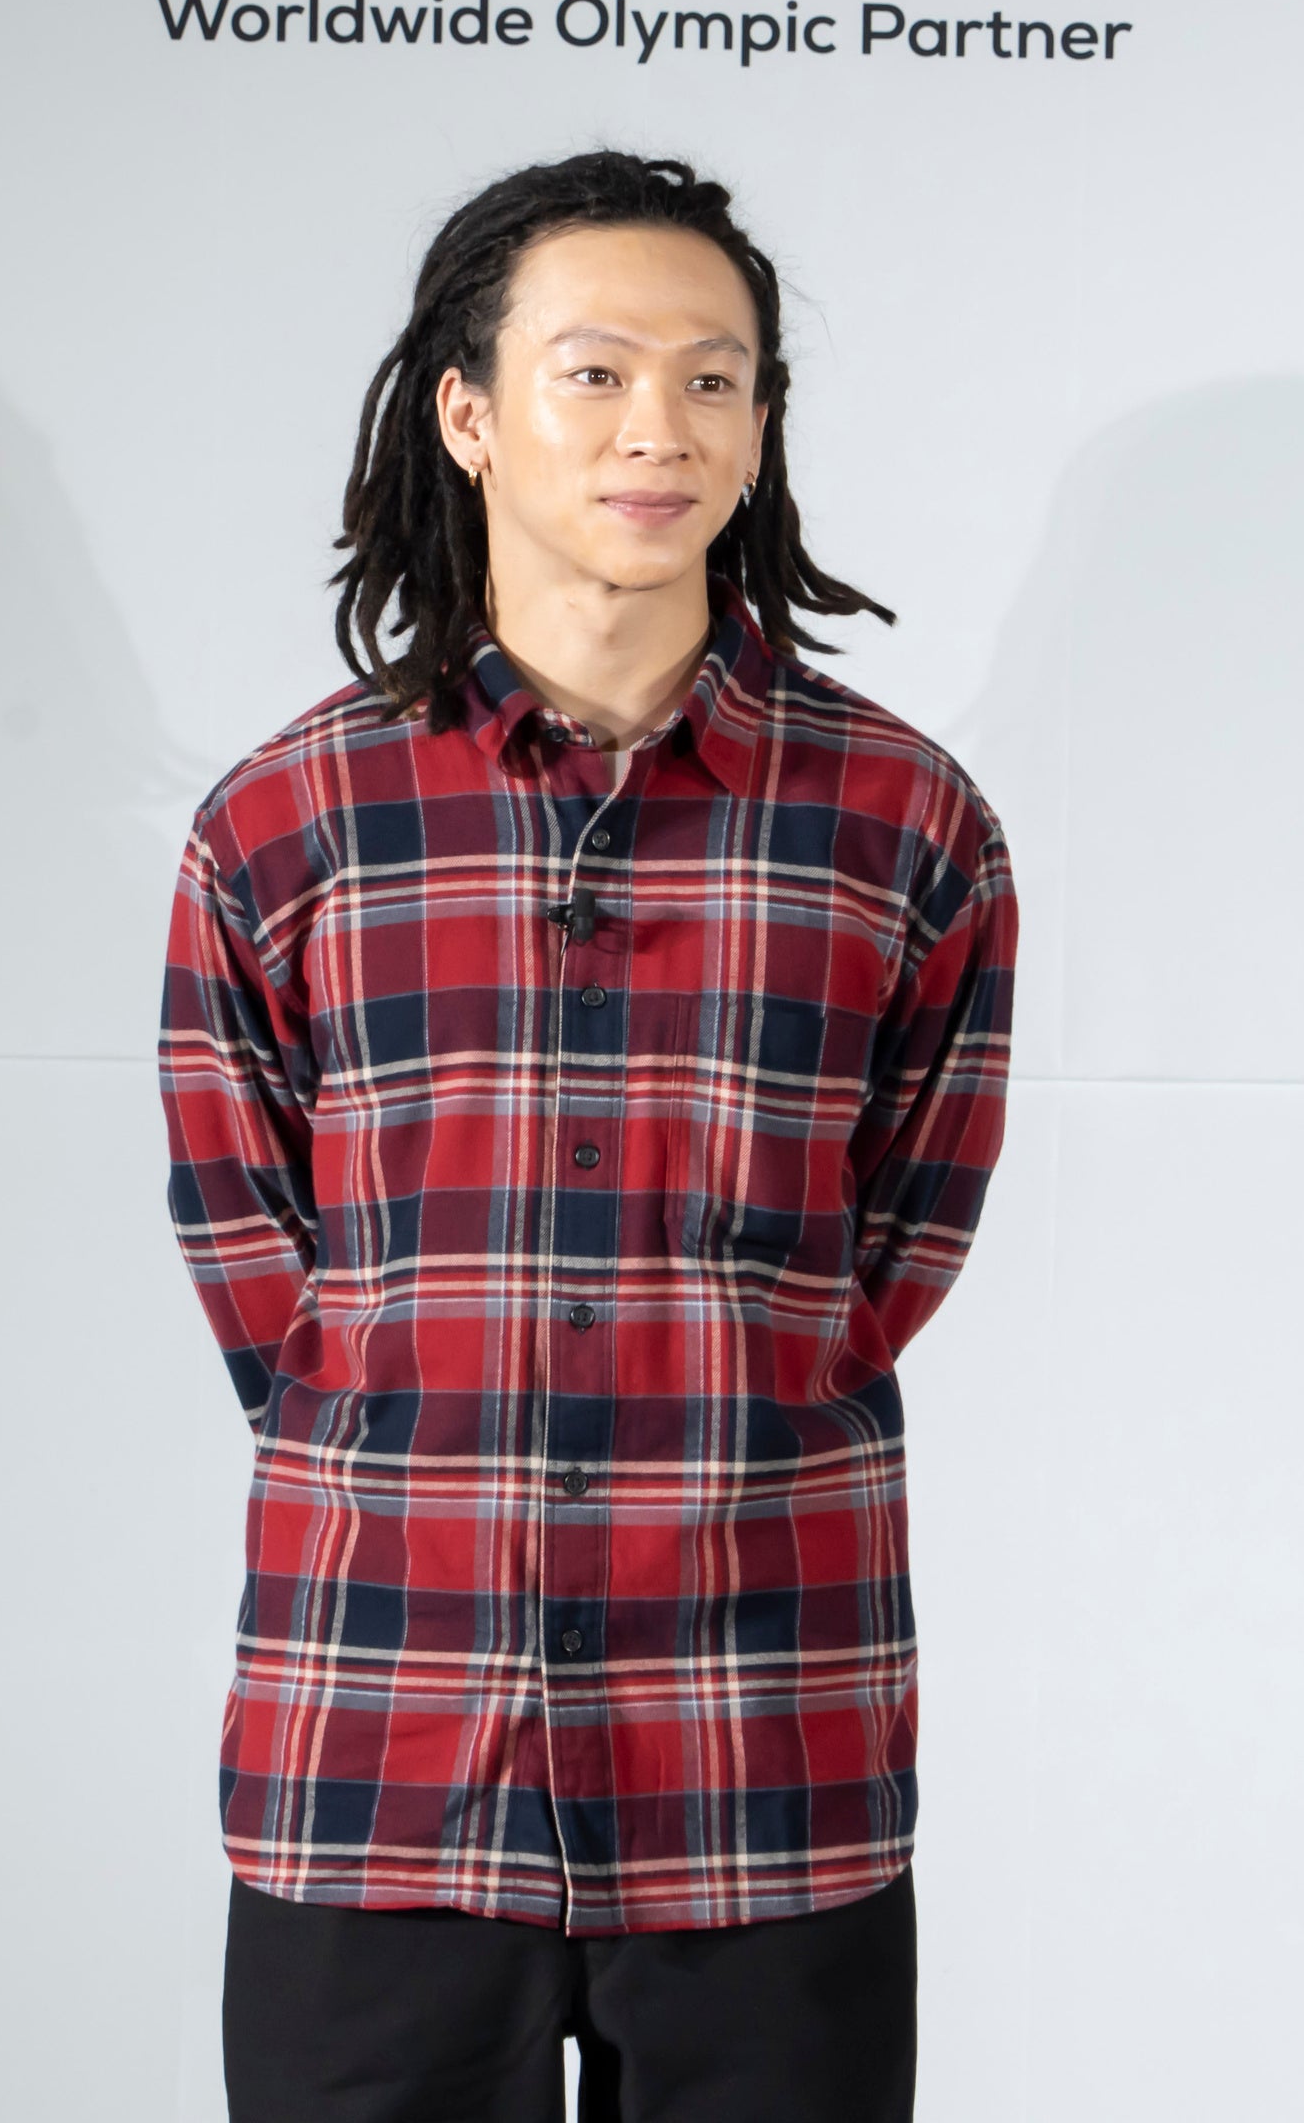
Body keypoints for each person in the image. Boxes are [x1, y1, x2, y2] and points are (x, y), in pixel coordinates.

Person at [158, 152, 1019, 2122]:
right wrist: (422, 1420)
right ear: (468, 414)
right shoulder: (287, 827)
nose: (662, 427)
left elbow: (892, 1253)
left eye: (716, 379)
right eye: (598, 371)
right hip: (381, 1747)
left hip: (763, 1751)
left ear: (764, 424)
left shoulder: (904, 825)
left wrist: (715, 1394)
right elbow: (263, 1272)